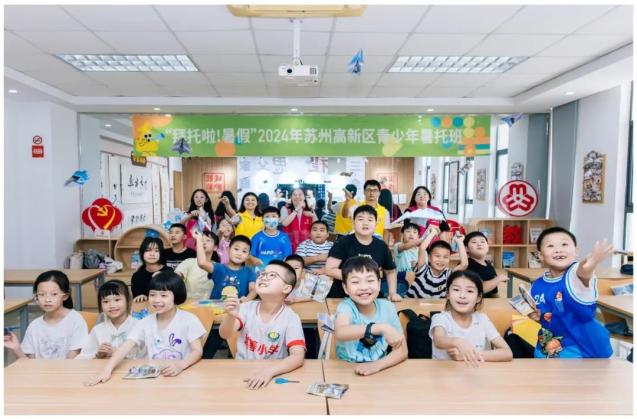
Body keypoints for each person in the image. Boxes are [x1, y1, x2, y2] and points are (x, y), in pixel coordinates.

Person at [85, 272, 205, 385]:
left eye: (163, 295)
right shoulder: (145, 322)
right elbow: (125, 347)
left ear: (177, 295)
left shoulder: (189, 319)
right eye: (152, 295)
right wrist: (107, 370)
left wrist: (180, 366)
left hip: (184, 374)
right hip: (155, 377)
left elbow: (197, 351)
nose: (157, 300)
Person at [529, 227, 614, 358]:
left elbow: (583, 271)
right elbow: (548, 317)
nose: (558, 249)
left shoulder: (575, 275)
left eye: (564, 244)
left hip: (581, 353)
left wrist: (591, 263)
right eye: (550, 246)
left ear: (576, 251)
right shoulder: (537, 285)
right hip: (546, 350)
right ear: (540, 255)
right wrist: (538, 316)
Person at [219, 260, 306, 389]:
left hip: (274, 373)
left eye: (272, 275)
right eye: (262, 273)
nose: (263, 277)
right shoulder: (246, 308)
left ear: (286, 288)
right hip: (242, 370)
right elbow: (224, 334)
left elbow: (298, 356)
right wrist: (230, 316)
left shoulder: (291, 318)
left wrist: (269, 372)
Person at [333, 256, 407, 376]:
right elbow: (340, 331)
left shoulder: (388, 307)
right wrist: (380, 328)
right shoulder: (346, 307)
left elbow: (402, 351)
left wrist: (376, 366)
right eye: (355, 282)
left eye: (370, 280)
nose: (364, 287)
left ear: (379, 283)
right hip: (346, 370)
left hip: (378, 371)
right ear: (345, 288)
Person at [430, 270, 513, 366]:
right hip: (444, 373)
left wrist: (470, 356)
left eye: (469, 291)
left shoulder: (482, 319)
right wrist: (458, 342)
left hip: (474, 372)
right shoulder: (440, 318)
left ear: (478, 298)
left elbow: (507, 353)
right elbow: (439, 340)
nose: (462, 296)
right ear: (448, 294)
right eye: (456, 290)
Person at [4, 270, 87, 359]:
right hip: (39, 369)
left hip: (68, 368)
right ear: (36, 296)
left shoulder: (75, 320)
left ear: (65, 296)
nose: (47, 299)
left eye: (54, 294)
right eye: (42, 294)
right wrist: (16, 348)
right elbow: (29, 363)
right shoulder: (34, 326)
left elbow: (73, 361)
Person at [325, 205, 400, 302]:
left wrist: (392, 293)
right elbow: (329, 269)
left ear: (376, 224)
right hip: (342, 296)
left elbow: (390, 271)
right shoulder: (342, 242)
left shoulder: (381, 246)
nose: (365, 223)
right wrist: (356, 278)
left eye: (370, 220)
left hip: (371, 297)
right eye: (360, 219)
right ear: (353, 223)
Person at [78, 280, 146, 359]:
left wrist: (117, 353)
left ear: (128, 300)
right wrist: (97, 356)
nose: (112, 305)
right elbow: (83, 357)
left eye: (117, 300)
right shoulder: (98, 330)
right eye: (106, 301)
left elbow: (147, 357)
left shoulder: (139, 326)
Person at [405, 226, 468, 298]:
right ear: (429, 258)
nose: (441, 260)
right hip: (413, 303)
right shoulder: (423, 269)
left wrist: (460, 242)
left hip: (434, 304)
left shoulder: (447, 274)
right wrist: (433, 233)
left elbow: (464, 265)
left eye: (445, 257)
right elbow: (422, 248)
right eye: (437, 256)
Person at [194, 230, 256, 301]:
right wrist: (198, 239)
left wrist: (247, 299)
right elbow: (202, 263)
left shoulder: (249, 271)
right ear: (228, 250)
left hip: (238, 307)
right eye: (236, 249)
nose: (239, 253)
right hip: (215, 307)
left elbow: (253, 289)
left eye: (244, 251)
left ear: (248, 256)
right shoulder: (218, 267)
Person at [175, 231, 218, 300]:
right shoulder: (188, 262)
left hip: (210, 305)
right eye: (201, 240)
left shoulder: (217, 267)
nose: (204, 243)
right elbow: (177, 276)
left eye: (208, 240)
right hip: (187, 304)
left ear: (215, 247)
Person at [464, 231, 508, 298]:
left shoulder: (488, 265)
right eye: (474, 242)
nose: (479, 244)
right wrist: (498, 279)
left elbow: (493, 292)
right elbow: (479, 288)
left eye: (482, 242)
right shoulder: (467, 265)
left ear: (488, 246)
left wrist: (500, 300)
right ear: (466, 248)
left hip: (490, 302)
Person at [249, 206, 293, 272]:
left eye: (273, 216)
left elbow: (287, 256)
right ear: (262, 219)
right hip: (261, 272)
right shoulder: (256, 237)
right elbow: (251, 256)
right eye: (267, 216)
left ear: (279, 219)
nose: (270, 219)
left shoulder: (284, 237)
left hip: (279, 272)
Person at [131, 237, 172, 302]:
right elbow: (137, 297)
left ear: (161, 254)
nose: (152, 254)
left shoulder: (169, 272)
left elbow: (176, 294)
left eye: (156, 251)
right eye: (148, 250)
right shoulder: (137, 276)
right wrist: (140, 296)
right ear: (142, 253)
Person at [280, 188, 316, 252]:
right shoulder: (285, 208)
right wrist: (297, 208)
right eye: (294, 195)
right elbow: (284, 224)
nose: (297, 197)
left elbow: (317, 225)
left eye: (300, 194)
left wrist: (312, 215)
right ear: (291, 197)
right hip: (289, 244)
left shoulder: (309, 209)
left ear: (304, 197)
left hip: (307, 246)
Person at [392, 222, 423, 297]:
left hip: (417, 283)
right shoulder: (397, 246)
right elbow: (406, 246)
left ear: (418, 236)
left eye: (415, 232)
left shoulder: (423, 251)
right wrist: (425, 237)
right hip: (401, 283)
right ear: (402, 234)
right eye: (408, 231)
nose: (411, 234)